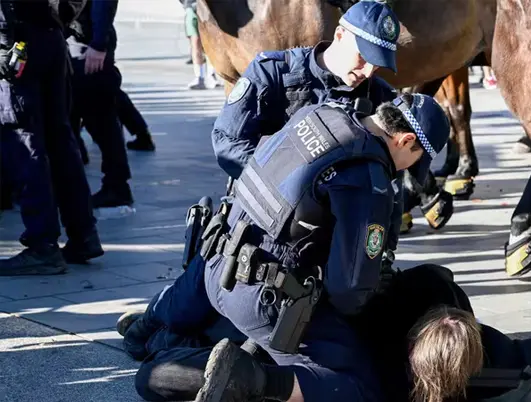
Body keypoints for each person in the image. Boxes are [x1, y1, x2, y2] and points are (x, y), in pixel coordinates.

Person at [118, 91, 452, 402]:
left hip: (213, 267)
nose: (406, 170)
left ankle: (165, 344)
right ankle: (252, 378)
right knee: (359, 386)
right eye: (414, 160)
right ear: (405, 140)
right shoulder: (368, 177)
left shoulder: (319, 113)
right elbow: (348, 290)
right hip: (260, 299)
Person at [124, 263, 531, 402]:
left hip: (292, 328)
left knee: (166, 362)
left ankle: (152, 333)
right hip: (300, 334)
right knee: (157, 371)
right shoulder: (393, 376)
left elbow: (519, 358)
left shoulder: (433, 296)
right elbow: (519, 361)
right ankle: (154, 335)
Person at [210, 0, 453, 239]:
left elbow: (390, 181)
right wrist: (290, 184)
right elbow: (227, 143)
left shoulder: (379, 96)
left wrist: (385, 246)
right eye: (363, 57)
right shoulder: (273, 73)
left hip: (333, 240)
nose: (368, 71)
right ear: (339, 35)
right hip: (258, 225)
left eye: (377, 63)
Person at [0, 0, 104, 275]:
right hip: (50, 36)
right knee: (60, 141)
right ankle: (83, 235)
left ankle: (43, 245)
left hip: (19, 42)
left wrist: (3, 44)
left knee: (24, 144)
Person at [67, 0, 136, 212]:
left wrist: (98, 43)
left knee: (101, 119)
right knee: (94, 118)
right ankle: (114, 185)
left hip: (87, 45)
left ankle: (116, 186)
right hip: (80, 41)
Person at [181, 0, 219, 90]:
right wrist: (186, 5)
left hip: (208, 9)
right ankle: (199, 77)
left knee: (209, 42)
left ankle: (211, 75)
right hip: (192, 8)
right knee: (195, 43)